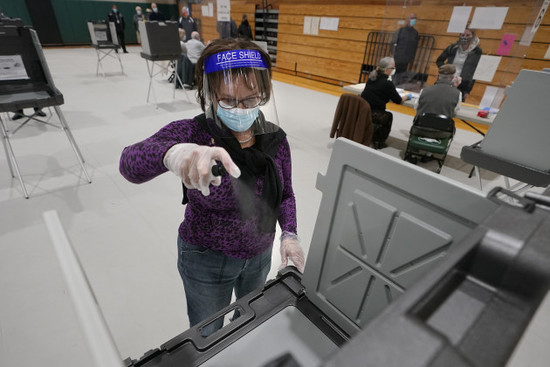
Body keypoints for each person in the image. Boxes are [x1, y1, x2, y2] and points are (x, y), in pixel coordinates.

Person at [119, 38, 305, 336]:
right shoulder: (193, 133)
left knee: (248, 323)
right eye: (228, 100)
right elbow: (129, 164)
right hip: (206, 258)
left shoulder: (275, 139)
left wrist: (290, 234)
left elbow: (286, 194)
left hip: (259, 256)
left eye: (250, 99)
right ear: (209, 95)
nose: (240, 109)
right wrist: (171, 154)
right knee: (209, 333)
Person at [360, 57, 411, 149]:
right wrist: (407, 96)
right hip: (375, 113)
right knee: (388, 116)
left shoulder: (371, 78)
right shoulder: (387, 84)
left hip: (363, 110)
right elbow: (398, 100)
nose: (394, 70)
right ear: (387, 70)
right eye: (393, 68)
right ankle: (379, 141)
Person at [436, 28, 482, 102]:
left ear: (473, 36)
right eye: (462, 35)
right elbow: (439, 60)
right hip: (447, 80)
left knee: (455, 104)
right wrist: (444, 71)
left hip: (463, 84)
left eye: (468, 35)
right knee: (438, 100)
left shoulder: (477, 51)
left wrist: (468, 90)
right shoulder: (453, 47)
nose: (465, 37)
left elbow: (475, 72)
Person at [391, 13, 419, 87]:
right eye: (411, 18)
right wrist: (394, 54)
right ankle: (392, 85)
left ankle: (398, 86)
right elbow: (393, 43)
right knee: (394, 73)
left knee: (402, 74)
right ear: (407, 19)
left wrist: (412, 58)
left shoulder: (415, 33)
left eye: (415, 18)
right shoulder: (400, 31)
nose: (413, 20)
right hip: (398, 56)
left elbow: (415, 46)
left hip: (407, 58)